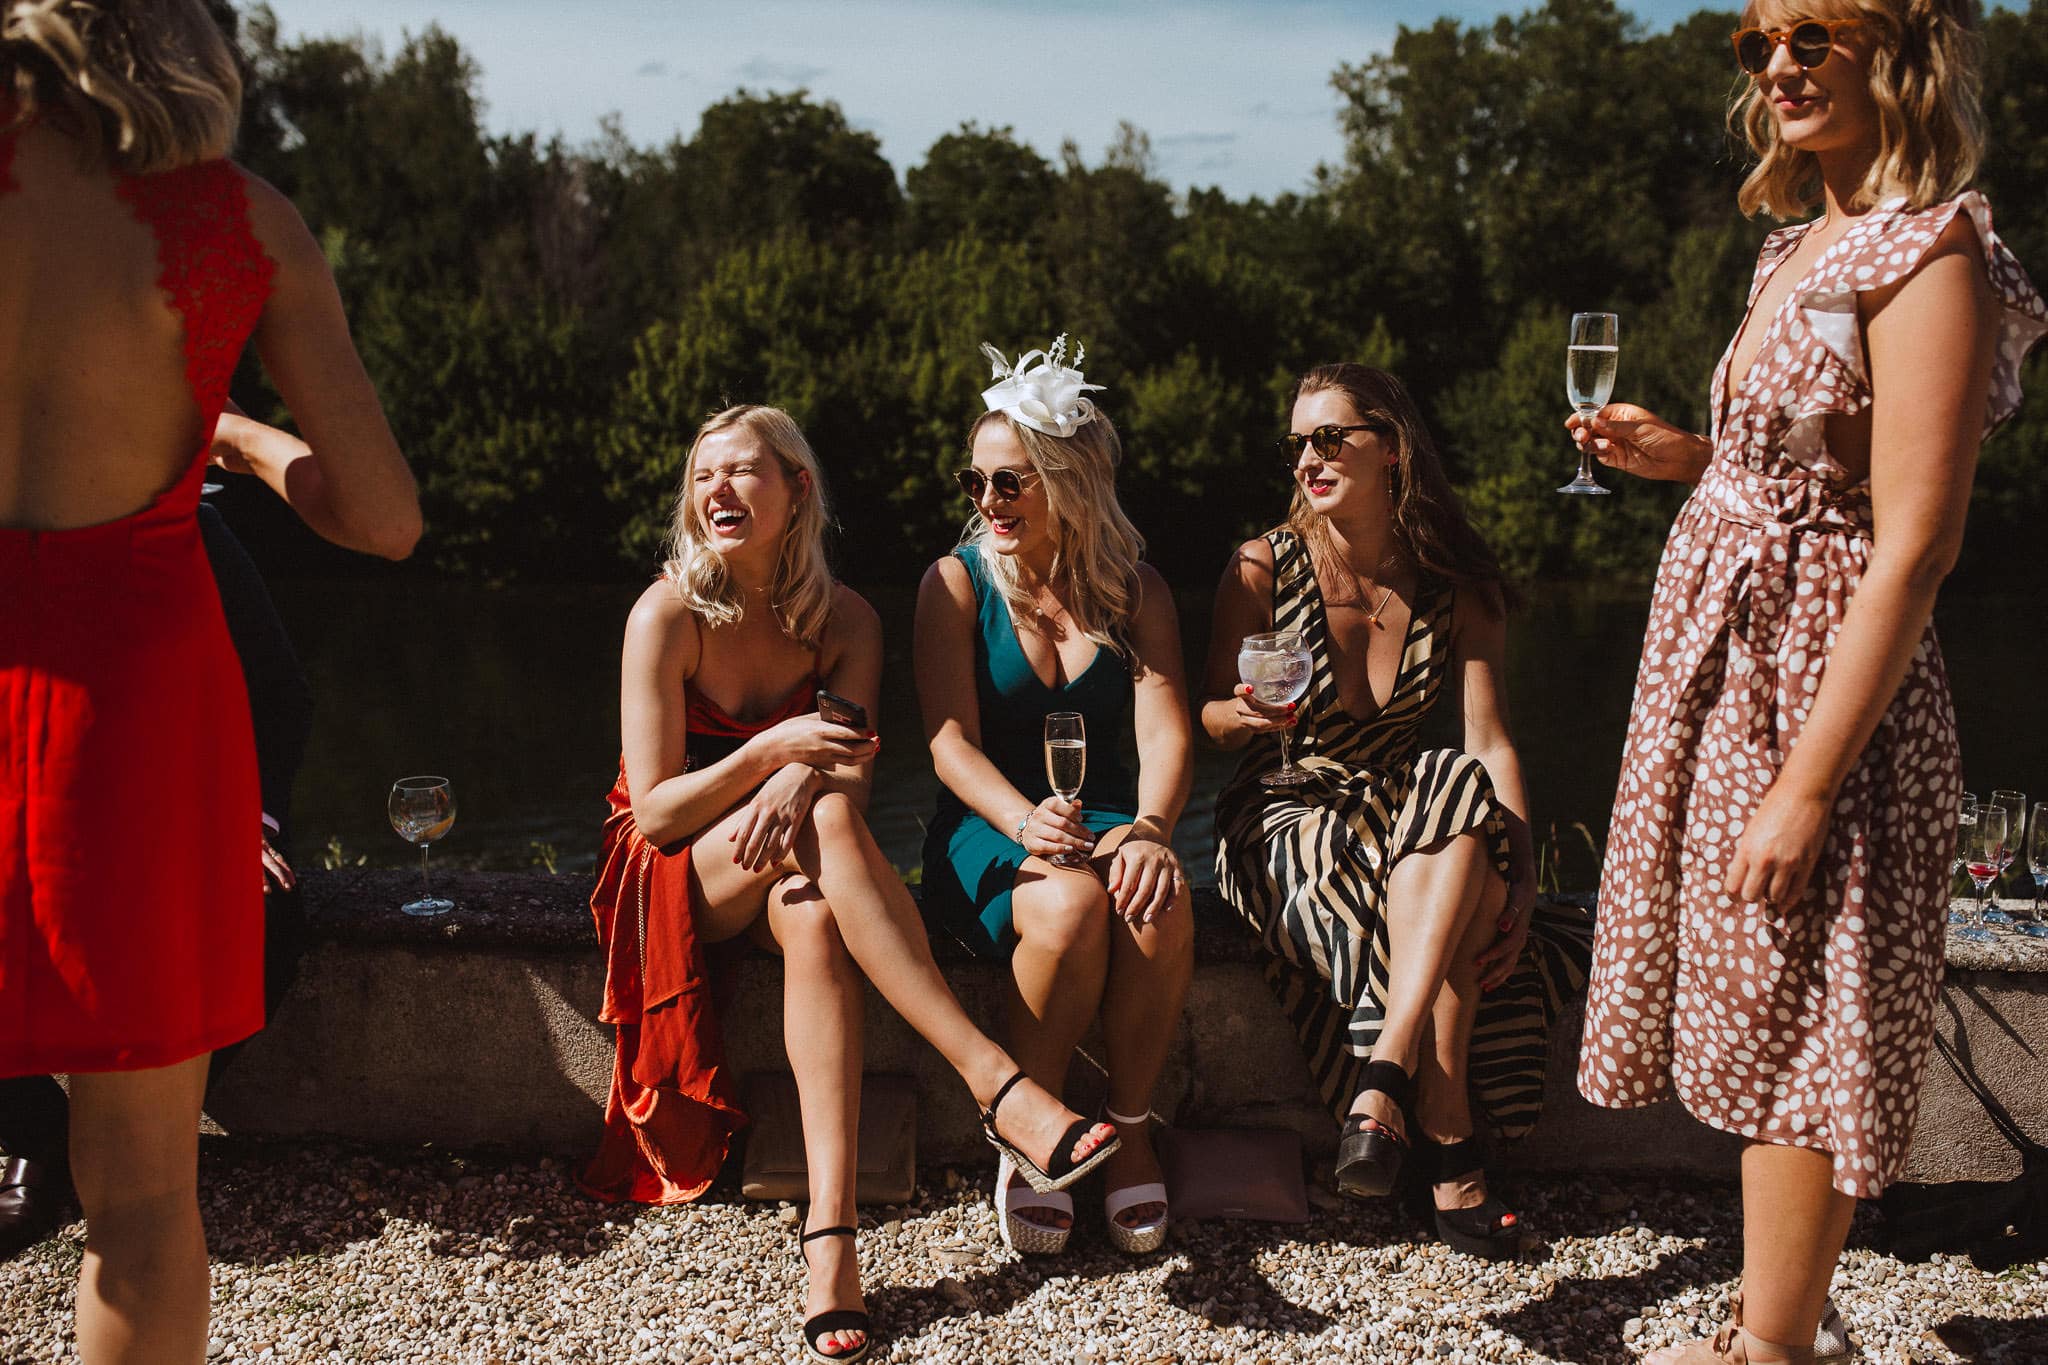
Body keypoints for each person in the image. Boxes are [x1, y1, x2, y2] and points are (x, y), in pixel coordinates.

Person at [1570, 0, 2047, 1358]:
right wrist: (1679, 456)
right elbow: (1797, 459)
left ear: (1896, 52)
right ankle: (1781, 1321)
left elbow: (1916, 545)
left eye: (1813, 35)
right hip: (1732, 674)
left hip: (1824, 686)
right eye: (1758, 41)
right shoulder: (1801, 241)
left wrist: (1809, 781)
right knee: (1763, 992)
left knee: (1801, 1003)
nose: (1777, 63)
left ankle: (1772, 1346)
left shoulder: (1935, 251)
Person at [0, 1, 423, 1359]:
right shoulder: (237, 220)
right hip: (129, 720)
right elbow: (382, 518)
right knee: (136, 1198)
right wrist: (229, 435)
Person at [581, 404, 1118, 1362]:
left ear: (798, 491)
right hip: (675, 873)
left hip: (797, 861)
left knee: (819, 909)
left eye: (743, 471)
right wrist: (781, 749)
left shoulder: (848, 621)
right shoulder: (665, 615)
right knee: (817, 818)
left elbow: (852, 781)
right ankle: (996, 1081)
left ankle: (831, 1242)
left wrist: (804, 772)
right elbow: (657, 812)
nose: (718, 491)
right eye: (703, 475)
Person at [1199, 364, 1592, 1260]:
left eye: (1330, 438)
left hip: (1402, 811)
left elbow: (1490, 743)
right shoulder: (1262, 566)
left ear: (1393, 448)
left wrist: (1526, 870)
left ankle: (1384, 1085)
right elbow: (1212, 716)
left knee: (1457, 790)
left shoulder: (1457, 580)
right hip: (1282, 810)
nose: (1308, 458)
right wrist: (1244, 711)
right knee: (1461, 847)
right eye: (1298, 442)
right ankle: (1447, 1124)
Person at [916, 337, 1194, 1257]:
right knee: (1069, 905)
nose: (987, 502)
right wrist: (1020, 819)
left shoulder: (1135, 589)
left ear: (1069, 483)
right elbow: (949, 743)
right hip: (986, 823)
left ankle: (1131, 1126)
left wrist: (1152, 828)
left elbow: (1165, 733)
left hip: (1110, 815)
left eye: (1010, 483)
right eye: (977, 482)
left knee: (1157, 905)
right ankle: (1030, 1133)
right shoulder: (953, 584)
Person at [0, 496, 315, 1260]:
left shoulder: (181, 519)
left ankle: (143, 1139)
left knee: (266, 913)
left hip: (175, 805)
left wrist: (249, 822)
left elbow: (278, 691)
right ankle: (32, 1131)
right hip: (20, 793)